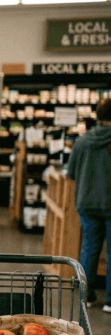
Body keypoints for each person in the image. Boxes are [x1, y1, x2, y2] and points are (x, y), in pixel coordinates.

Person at [66, 98, 111, 311]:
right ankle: (110, 301)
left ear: (97, 115)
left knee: (89, 249)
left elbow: (72, 173)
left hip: (86, 201)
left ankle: (87, 297)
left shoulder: (82, 141)